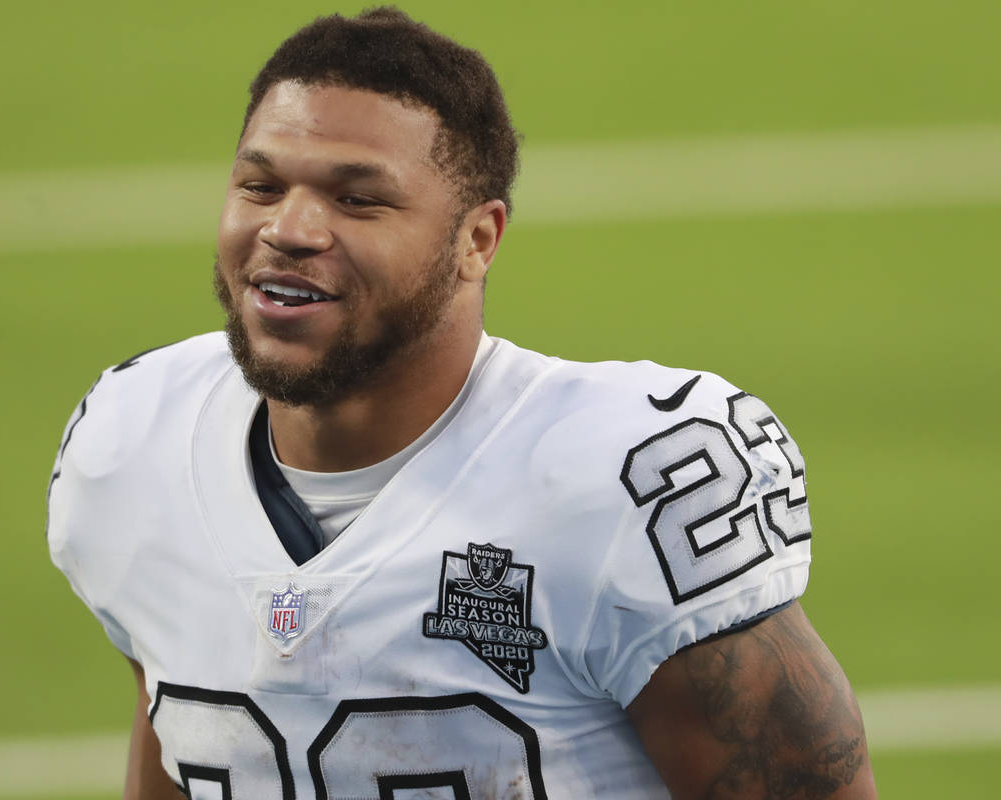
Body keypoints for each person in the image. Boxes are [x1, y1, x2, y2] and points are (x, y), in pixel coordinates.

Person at [47, 8, 877, 799]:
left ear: (477, 239)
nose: (290, 228)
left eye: (358, 199)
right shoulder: (132, 444)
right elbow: (174, 734)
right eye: (260, 185)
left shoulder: (615, 482)